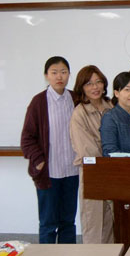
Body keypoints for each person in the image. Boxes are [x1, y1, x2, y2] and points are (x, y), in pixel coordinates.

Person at [21, 56, 79, 244]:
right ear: (46, 76)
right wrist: (39, 161)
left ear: (69, 74)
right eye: (54, 72)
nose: (59, 76)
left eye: (63, 72)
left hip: (72, 172)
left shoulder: (75, 99)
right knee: (47, 223)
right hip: (49, 173)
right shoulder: (39, 102)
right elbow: (27, 138)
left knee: (68, 223)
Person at [69, 65, 114, 243]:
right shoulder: (79, 113)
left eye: (98, 82)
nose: (95, 87)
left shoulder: (111, 107)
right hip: (92, 173)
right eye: (89, 84)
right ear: (82, 88)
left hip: (114, 173)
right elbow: (87, 149)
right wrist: (112, 155)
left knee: (112, 225)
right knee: (94, 225)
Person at [100, 72, 130, 156]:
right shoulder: (110, 118)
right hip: (120, 168)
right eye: (127, 89)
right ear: (116, 93)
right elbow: (109, 152)